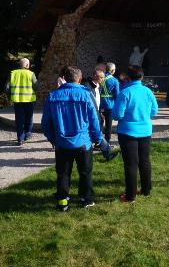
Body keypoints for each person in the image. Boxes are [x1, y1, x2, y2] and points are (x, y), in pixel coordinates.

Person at [41, 66, 116, 212]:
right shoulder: (86, 94)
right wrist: (98, 138)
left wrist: (53, 138)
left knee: (63, 173)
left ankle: (63, 202)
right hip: (83, 142)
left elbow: (45, 124)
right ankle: (86, 199)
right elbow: (94, 120)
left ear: (65, 78)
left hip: (62, 143)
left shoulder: (53, 96)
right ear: (79, 79)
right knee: (85, 172)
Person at [112, 66, 158, 203]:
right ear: (142, 77)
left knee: (131, 164)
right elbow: (154, 110)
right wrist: (144, 116)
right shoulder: (148, 91)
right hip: (145, 131)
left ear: (128, 77)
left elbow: (117, 115)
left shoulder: (125, 92)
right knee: (144, 161)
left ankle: (130, 196)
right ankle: (146, 190)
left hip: (127, 132)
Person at [6, 58, 37, 145]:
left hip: (17, 100)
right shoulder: (31, 74)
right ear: (27, 65)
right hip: (29, 100)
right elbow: (36, 86)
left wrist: (9, 97)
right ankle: (27, 134)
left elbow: (7, 88)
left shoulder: (13, 73)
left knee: (19, 119)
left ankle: (20, 138)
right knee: (29, 118)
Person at [99, 63, 120, 143]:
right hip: (109, 105)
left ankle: (98, 141)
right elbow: (117, 95)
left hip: (99, 103)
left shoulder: (100, 77)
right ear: (112, 70)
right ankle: (107, 141)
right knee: (108, 124)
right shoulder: (114, 80)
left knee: (99, 122)